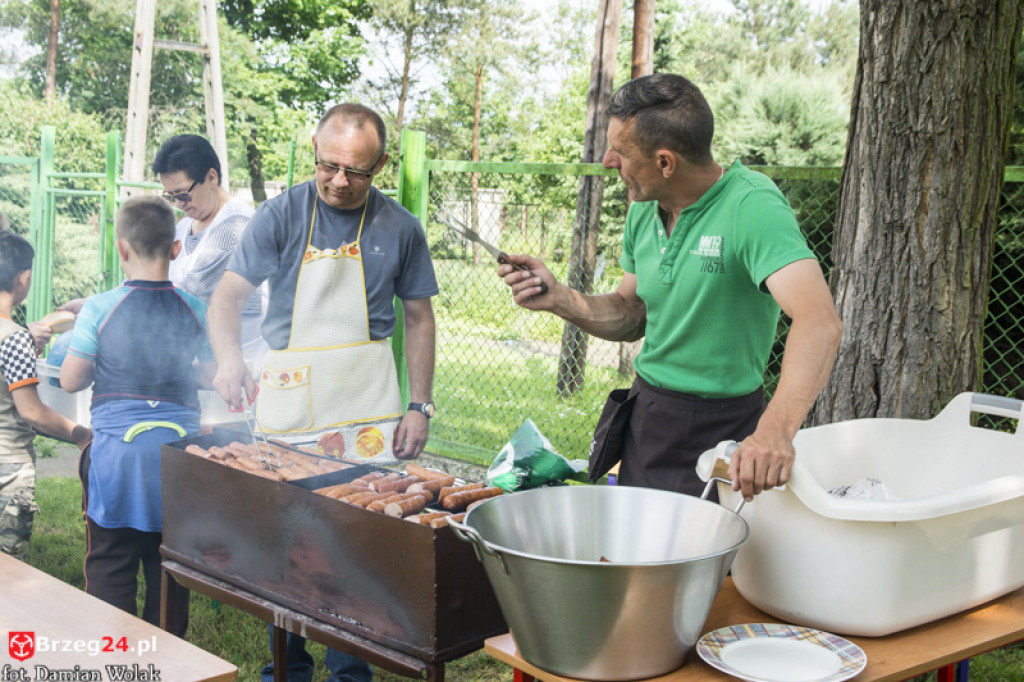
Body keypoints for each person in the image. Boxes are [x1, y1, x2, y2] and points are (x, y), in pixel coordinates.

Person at [500, 73, 843, 502]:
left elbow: (819, 320)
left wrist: (775, 431)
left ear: (665, 162)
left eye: (620, 152)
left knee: (718, 567)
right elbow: (632, 312)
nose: (609, 161)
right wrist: (560, 298)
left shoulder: (752, 206)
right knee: (634, 561)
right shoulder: (644, 210)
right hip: (649, 420)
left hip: (727, 432)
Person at [208, 103, 438, 682]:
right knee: (283, 540)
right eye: (327, 166)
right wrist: (230, 357)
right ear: (315, 152)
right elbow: (227, 298)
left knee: (354, 544)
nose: (339, 181)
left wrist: (420, 405)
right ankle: (284, 667)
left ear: (380, 165)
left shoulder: (401, 227)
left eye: (355, 171)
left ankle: (348, 672)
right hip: (291, 404)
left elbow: (419, 319)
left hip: (366, 404)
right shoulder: (280, 215)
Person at [59, 196, 214, 633]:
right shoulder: (194, 308)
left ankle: (115, 659)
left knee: (110, 561)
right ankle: (168, 663)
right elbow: (211, 374)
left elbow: (71, 380)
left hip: (117, 459)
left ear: (121, 249)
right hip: (179, 458)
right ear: (176, 248)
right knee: (169, 567)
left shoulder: (99, 308)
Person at [0, 229, 92, 560]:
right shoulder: (13, 339)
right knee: (7, 576)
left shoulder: (17, 339)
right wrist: (80, 433)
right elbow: (32, 412)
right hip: (7, 468)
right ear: (23, 278)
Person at [152, 134, 268, 368]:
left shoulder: (237, 225)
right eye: (171, 196)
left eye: (184, 194)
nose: (179, 204)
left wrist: (107, 308)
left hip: (239, 369)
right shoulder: (184, 226)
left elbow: (183, 298)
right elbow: (148, 277)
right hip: (202, 368)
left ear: (211, 177)